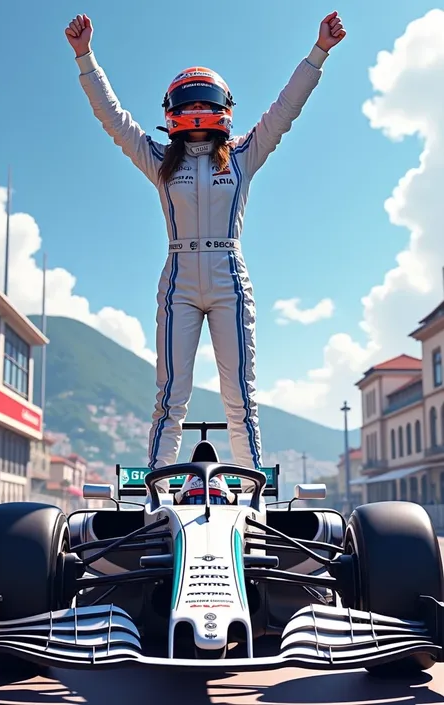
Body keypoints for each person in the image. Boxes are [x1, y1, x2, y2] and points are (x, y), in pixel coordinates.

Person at [65, 12, 346, 498]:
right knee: (171, 395)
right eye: (188, 101)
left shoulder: (243, 155)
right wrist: (85, 57)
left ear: (223, 109)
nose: (197, 108)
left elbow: (286, 108)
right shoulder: (158, 160)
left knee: (240, 394)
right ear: (172, 110)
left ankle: (253, 494)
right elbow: (113, 119)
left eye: (206, 100)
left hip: (228, 276)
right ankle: (157, 493)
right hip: (177, 278)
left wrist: (318, 51)